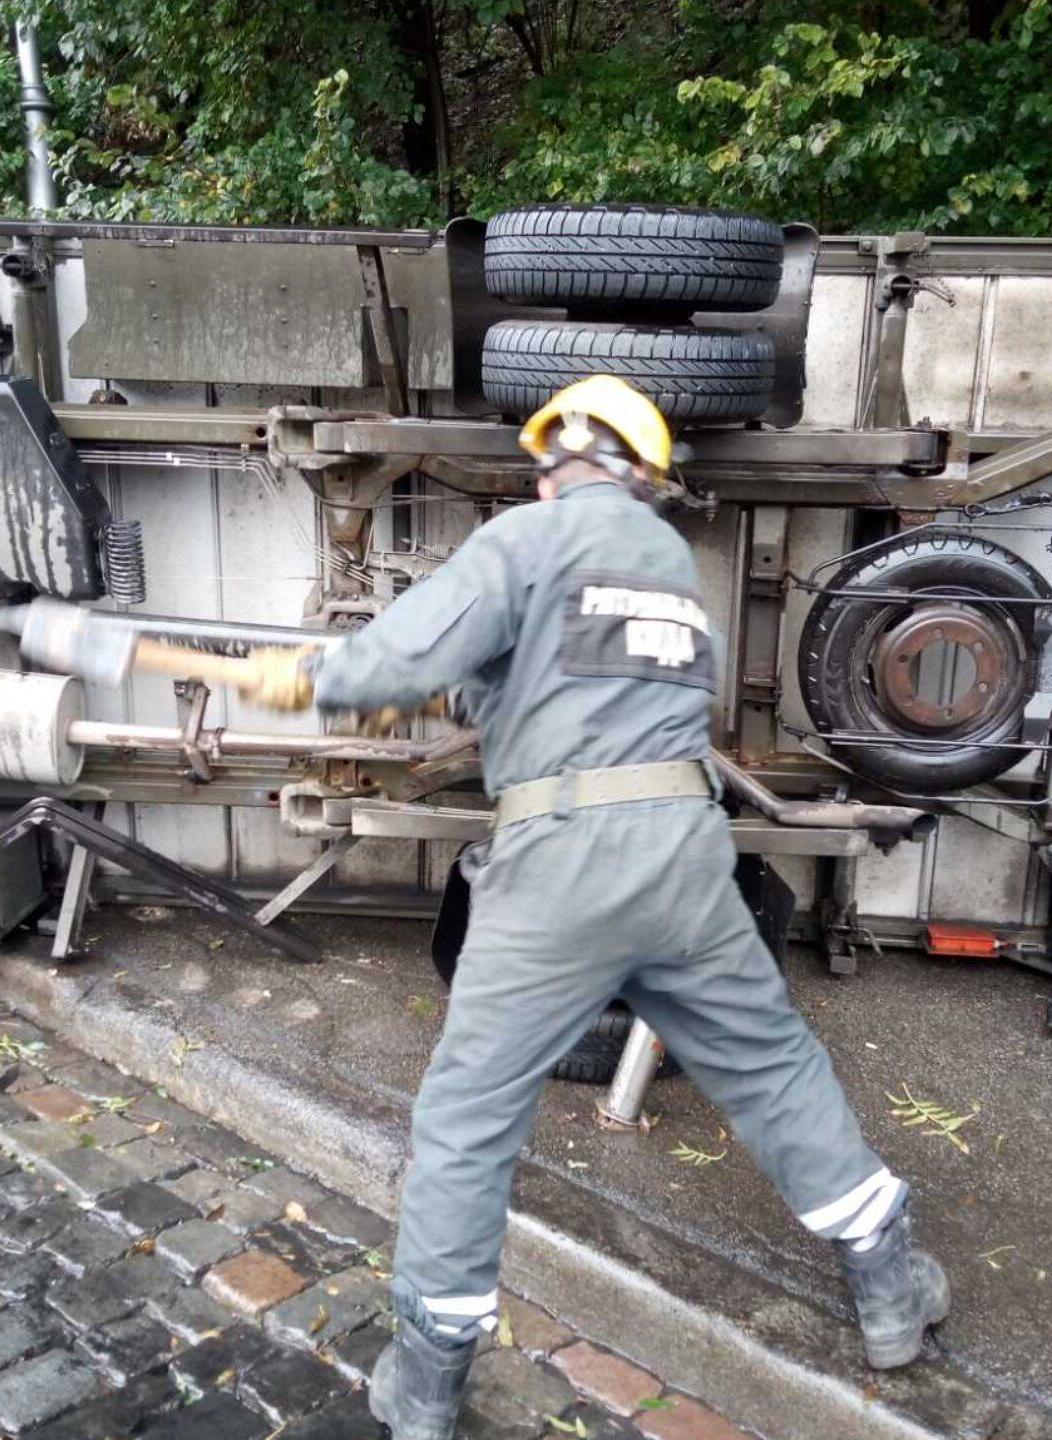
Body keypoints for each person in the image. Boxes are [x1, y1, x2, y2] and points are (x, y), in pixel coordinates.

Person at [232, 375, 948, 1440]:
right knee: (770, 1062)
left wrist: (305, 677)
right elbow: (555, 690)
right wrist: (467, 685)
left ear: (553, 464)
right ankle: (890, 1283)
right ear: (645, 474)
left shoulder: (525, 543)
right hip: (684, 858)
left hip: (564, 861)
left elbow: (389, 663)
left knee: (470, 1119)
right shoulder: (668, 569)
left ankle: (426, 1384)